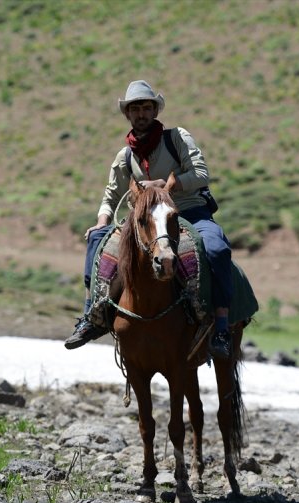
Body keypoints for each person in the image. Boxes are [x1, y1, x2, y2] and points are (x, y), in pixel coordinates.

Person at [64, 80, 233, 358]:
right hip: (145, 222)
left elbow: (201, 174)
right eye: (135, 109)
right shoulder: (125, 156)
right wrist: (102, 219)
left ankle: (222, 327)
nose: (141, 114)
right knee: (97, 239)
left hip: (188, 211)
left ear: (155, 111)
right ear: (127, 115)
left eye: (146, 108)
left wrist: (167, 186)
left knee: (216, 248)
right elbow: (111, 194)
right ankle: (91, 316)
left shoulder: (176, 138)